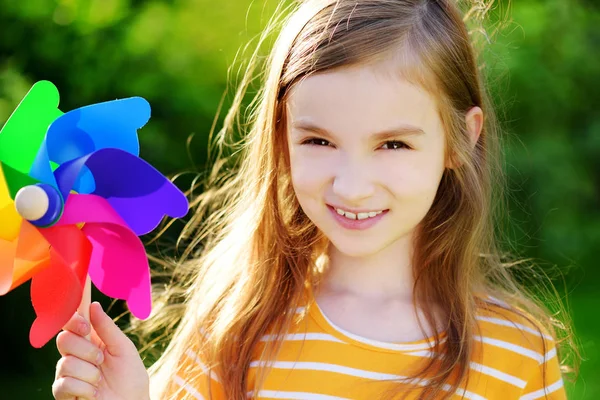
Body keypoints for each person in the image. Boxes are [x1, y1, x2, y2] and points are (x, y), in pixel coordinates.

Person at [51, 0, 579, 399]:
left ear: (460, 141)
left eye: (392, 144)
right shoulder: (233, 331)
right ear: (282, 137)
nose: (351, 186)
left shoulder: (519, 354)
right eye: (319, 141)